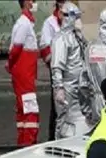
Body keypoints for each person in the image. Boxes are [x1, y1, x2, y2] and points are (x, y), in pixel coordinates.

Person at [50, 2, 92, 139]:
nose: (78, 20)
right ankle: (58, 146)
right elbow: (56, 66)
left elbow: (86, 52)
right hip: (67, 87)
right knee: (64, 120)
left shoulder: (76, 36)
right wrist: (59, 88)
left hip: (79, 86)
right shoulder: (61, 39)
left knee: (77, 119)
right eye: (76, 17)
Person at [8, 0, 41, 146]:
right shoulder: (24, 24)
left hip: (24, 74)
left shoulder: (25, 23)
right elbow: (16, 48)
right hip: (24, 75)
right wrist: (9, 64)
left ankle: (23, 142)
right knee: (30, 110)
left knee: (23, 110)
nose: (35, 3)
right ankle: (28, 144)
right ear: (27, 2)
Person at [38, 0, 63, 140]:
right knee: (56, 105)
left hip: (72, 71)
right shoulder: (49, 23)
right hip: (57, 69)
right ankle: (53, 138)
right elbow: (44, 47)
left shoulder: (71, 20)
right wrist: (55, 64)